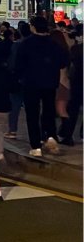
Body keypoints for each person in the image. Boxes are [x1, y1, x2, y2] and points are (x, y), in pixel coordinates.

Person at [15, 16, 70, 157]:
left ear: (33, 27)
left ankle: (36, 146)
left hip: (31, 83)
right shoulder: (54, 44)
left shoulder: (26, 44)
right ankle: (51, 136)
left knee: (32, 114)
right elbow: (63, 62)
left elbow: (18, 66)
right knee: (48, 111)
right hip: (50, 83)